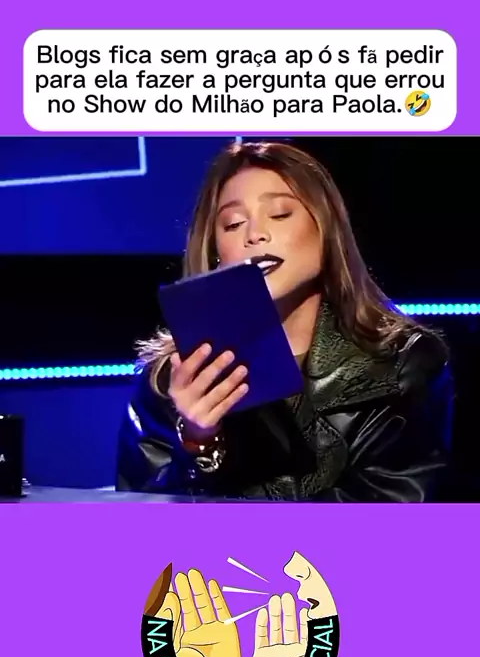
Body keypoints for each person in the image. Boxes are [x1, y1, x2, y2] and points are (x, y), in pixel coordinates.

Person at [116, 141, 453, 502]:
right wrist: (200, 441)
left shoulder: (403, 363)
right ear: (216, 252)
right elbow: (142, 516)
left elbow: (395, 509)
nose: (254, 235)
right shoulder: (171, 379)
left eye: (279, 214)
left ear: (325, 229)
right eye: (233, 223)